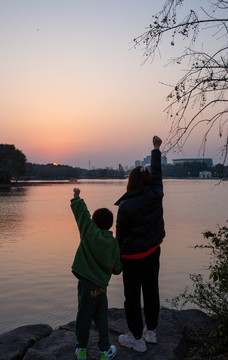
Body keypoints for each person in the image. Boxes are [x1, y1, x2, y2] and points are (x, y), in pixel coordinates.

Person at [114, 135, 165, 353]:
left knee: (132, 296)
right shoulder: (156, 194)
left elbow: (121, 235)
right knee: (152, 289)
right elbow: (157, 174)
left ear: (131, 182)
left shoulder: (126, 205)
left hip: (132, 257)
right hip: (153, 251)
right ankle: (150, 331)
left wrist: (115, 255)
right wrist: (155, 149)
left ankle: (136, 337)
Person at [71, 188, 122, 360]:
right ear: (110, 225)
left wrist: (77, 197)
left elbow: (81, 214)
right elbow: (117, 269)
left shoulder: (89, 232)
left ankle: (81, 349)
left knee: (84, 316)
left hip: (86, 285)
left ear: (93, 223)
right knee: (101, 318)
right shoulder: (114, 243)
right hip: (101, 287)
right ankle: (105, 351)